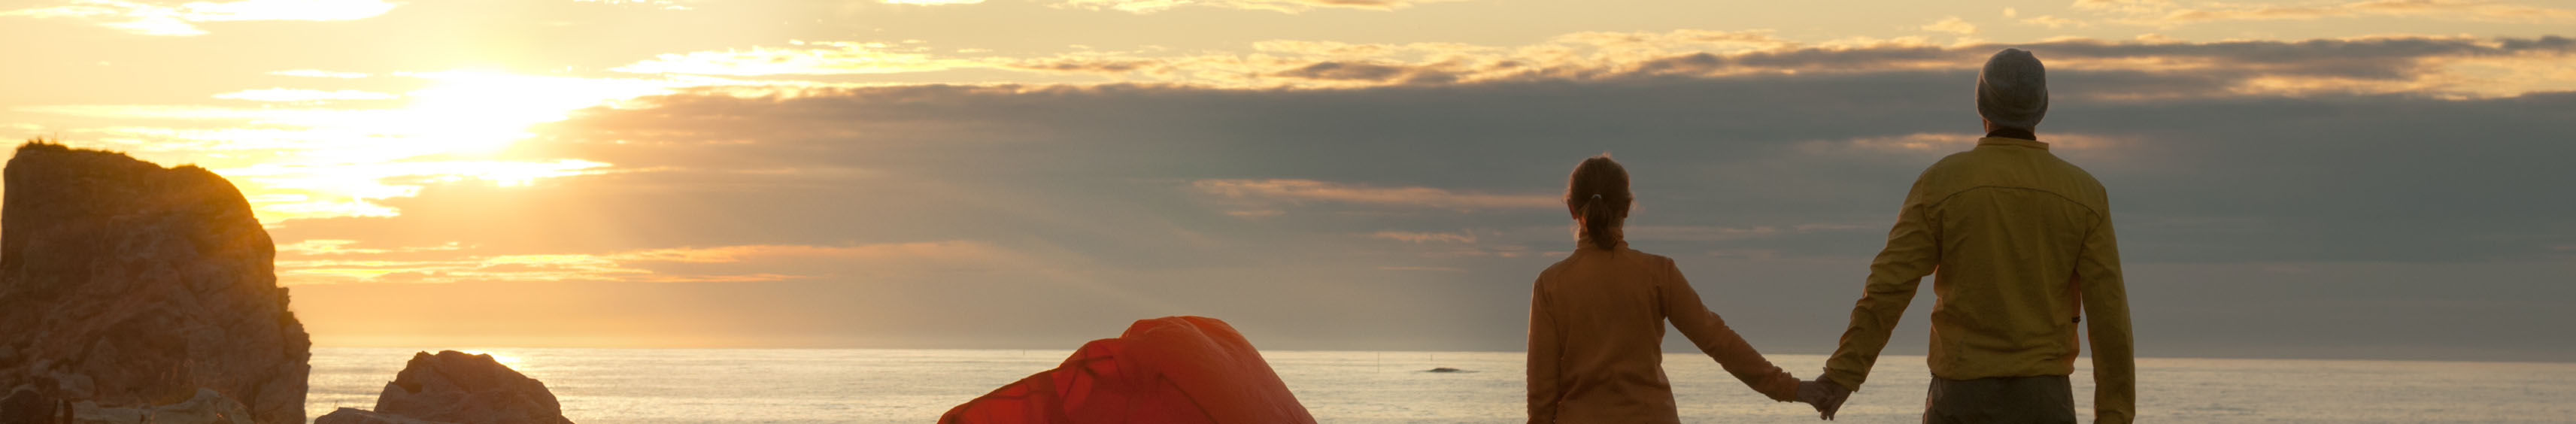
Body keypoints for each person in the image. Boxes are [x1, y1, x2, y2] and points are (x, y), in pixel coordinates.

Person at [1801, 48, 2136, 423]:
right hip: (2045, 398)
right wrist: (2115, 414)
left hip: (1959, 396)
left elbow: (1887, 288)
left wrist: (1843, 376)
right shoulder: (2085, 194)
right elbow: (2110, 319)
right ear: (2042, 108)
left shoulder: (1941, 183)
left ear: (1981, 106)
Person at [1526, 154, 1832, 423]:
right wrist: (1794, 389)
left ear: (1570, 208)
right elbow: (1720, 342)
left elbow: (1541, 398)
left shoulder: (1551, 285)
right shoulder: (1657, 274)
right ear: (1628, 208)